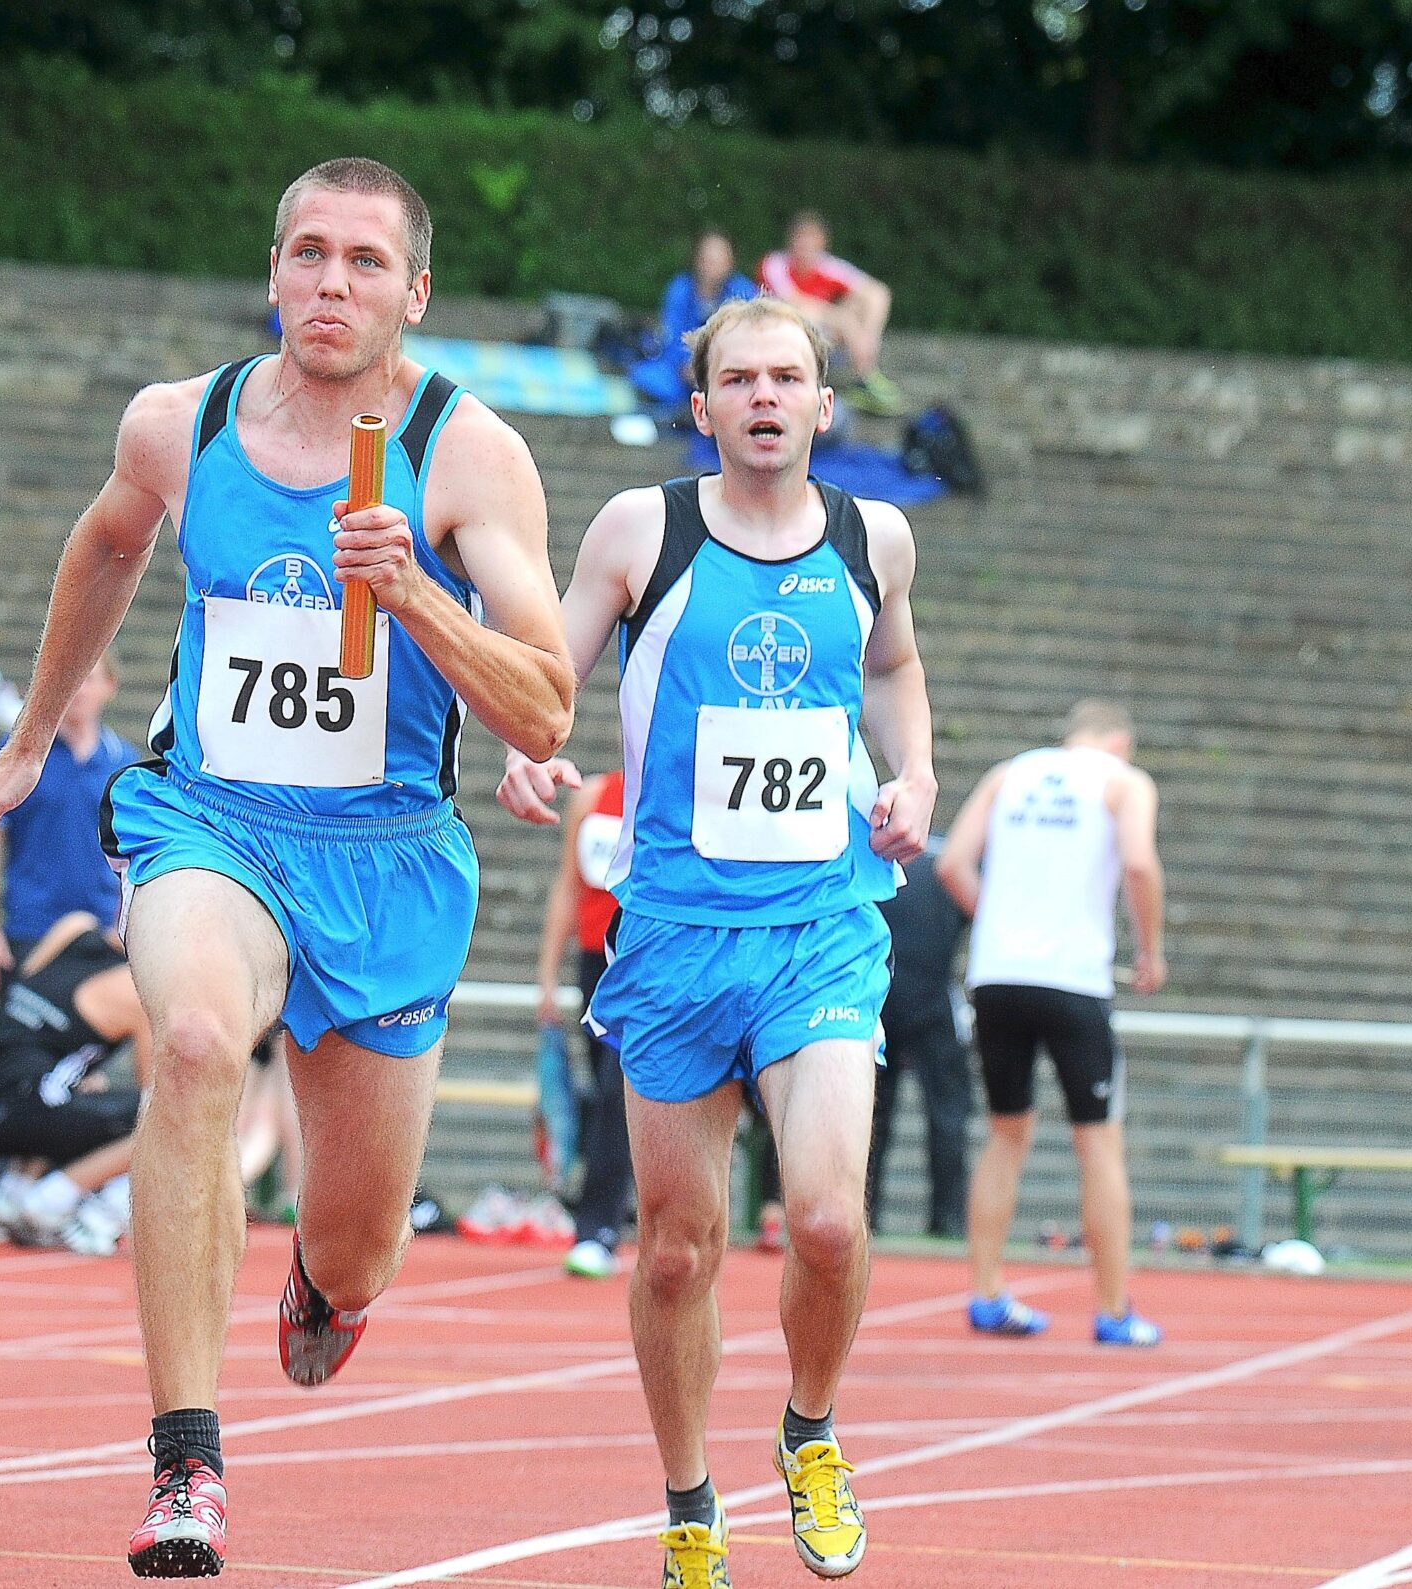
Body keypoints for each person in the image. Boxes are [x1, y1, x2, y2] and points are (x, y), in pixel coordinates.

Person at [0, 157, 573, 1579]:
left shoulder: (470, 454)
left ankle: (320, 1281)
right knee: (192, 1038)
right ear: (271, 270)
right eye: (307, 253)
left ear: (415, 292)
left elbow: (542, 704)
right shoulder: (184, 424)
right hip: (210, 819)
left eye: (364, 261)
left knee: (356, 1246)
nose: (329, 284)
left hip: (388, 857)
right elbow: (107, 544)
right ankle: (185, 1464)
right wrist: (36, 738)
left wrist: (414, 591)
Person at [497, 294, 933, 1586]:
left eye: (785, 377)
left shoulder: (877, 538)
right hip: (677, 937)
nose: (761, 396)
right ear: (702, 407)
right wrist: (531, 751)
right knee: (678, 1249)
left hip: (822, 928)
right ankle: (690, 1500)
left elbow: (898, 670)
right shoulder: (647, 528)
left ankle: (809, 1428)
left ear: (822, 401)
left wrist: (913, 777)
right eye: (736, 377)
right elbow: (549, 672)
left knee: (830, 1221)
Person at [939, 700, 1166, 1348]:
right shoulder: (1124, 782)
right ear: (1119, 740)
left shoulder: (1009, 773)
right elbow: (1141, 863)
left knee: (1006, 1133)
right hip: (1073, 977)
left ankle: (985, 1294)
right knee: (1097, 1142)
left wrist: (1004, 925)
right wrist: (1150, 949)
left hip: (999, 974)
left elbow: (953, 863)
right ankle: (1113, 1307)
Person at [0, 911, 150, 1256]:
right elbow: (155, 1095)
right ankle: (57, 1203)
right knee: (164, 1118)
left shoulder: (73, 927)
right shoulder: (136, 989)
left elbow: (21, 1013)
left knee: (61, 1086)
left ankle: (11, 1194)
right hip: (27, 1115)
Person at [0, 655, 138, 995]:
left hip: (101, 934)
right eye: (71, 677)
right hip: (31, 928)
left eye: (89, 679)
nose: (79, 690)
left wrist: (125, 922)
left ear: (109, 687)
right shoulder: (20, 754)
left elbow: (135, 852)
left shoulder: (122, 762)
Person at [533, 767, 637, 1278]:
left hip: (644, 956)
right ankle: (618, 1197)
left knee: (619, 1092)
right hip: (595, 960)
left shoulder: (678, 787)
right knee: (602, 1090)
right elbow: (566, 887)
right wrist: (547, 976)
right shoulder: (593, 796)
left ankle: (598, 1226)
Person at [868, 835, 971, 1238]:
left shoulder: (873, 864)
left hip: (880, 999)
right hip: (933, 1001)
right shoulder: (948, 868)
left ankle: (865, 1215)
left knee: (872, 1117)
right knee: (948, 1115)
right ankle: (947, 1219)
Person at [757, 212, 903, 416]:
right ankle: (864, 376)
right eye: (801, 238)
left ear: (822, 243)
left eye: (811, 239)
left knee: (867, 300)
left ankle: (864, 369)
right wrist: (845, 322)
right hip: (780, 338)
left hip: (829, 338)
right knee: (807, 314)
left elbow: (877, 293)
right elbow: (792, 302)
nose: (805, 246)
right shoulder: (775, 264)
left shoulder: (828, 266)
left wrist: (865, 337)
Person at [630, 231, 759, 410]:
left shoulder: (743, 291)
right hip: (682, 371)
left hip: (730, 371)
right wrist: (689, 365)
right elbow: (672, 335)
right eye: (707, 259)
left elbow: (751, 339)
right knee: (645, 376)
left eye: (718, 260)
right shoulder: (680, 289)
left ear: (729, 262)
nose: (712, 266)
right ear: (697, 260)